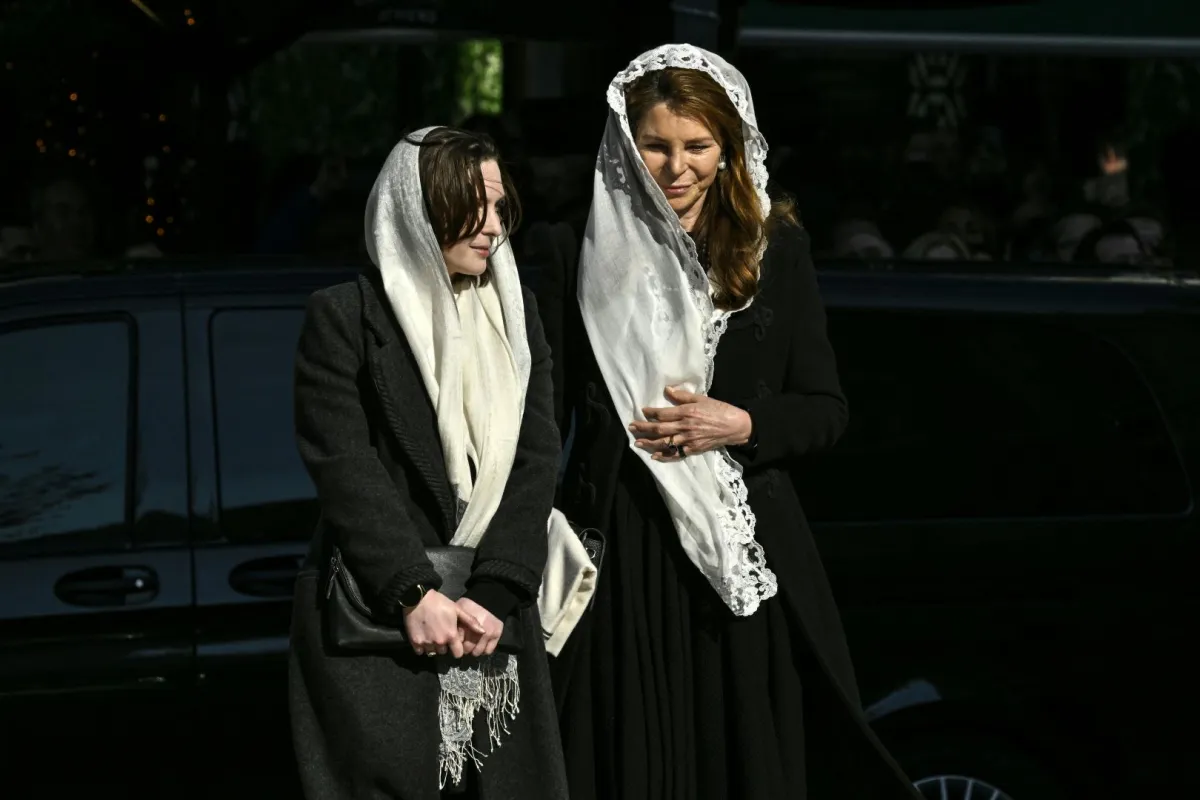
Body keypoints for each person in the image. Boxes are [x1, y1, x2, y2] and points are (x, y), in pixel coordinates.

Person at [550, 45, 922, 799]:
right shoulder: (573, 250)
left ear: (729, 148)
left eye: (697, 147)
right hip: (620, 555)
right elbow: (541, 418)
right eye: (656, 145)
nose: (676, 167)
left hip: (740, 556)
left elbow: (827, 409)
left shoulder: (772, 247)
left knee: (740, 764)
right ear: (627, 145)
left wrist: (740, 422)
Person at [288, 126, 569, 800]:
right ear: (416, 210)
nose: (493, 226)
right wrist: (413, 591)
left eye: (501, 208)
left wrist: (496, 593)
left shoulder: (517, 313)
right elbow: (342, 462)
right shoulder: (344, 315)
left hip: (492, 621)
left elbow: (537, 456)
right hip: (383, 624)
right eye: (470, 206)